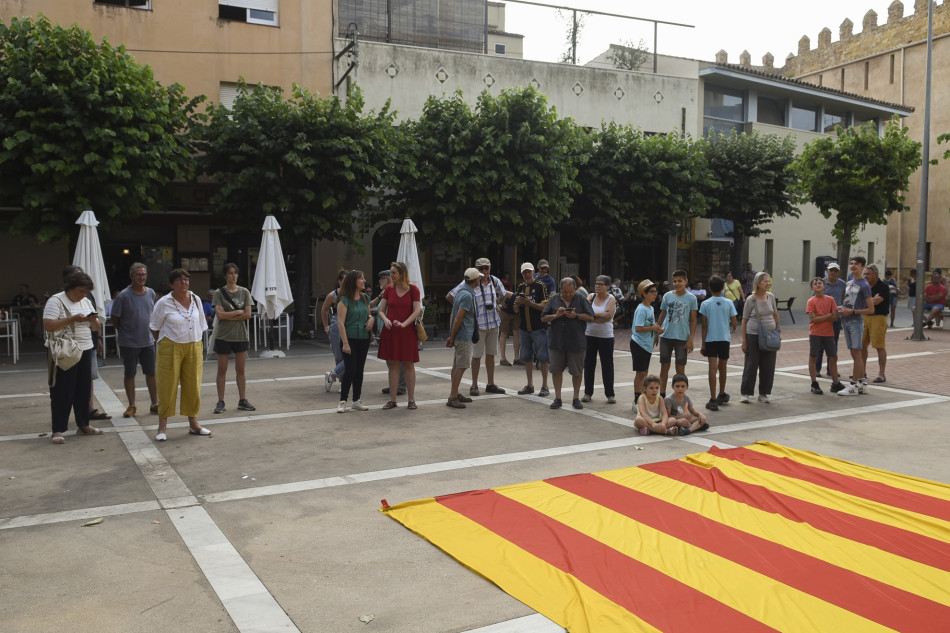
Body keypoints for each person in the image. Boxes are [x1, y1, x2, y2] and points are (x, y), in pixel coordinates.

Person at [42, 271, 104, 444]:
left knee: (83, 390)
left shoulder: (86, 301)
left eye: (86, 291)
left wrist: (93, 321)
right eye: (80, 290)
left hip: (85, 349)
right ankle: (58, 429)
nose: (83, 294)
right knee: (62, 391)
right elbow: (48, 325)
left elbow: (95, 326)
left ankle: (84, 424)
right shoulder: (56, 300)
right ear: (70, 288)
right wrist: (72, 319)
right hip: (64, 351)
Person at [149, 268, 210, 441]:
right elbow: (154, 328)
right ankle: (162, 427)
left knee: (193, 385)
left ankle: (194, 423)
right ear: (172, 284)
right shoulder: (164, 303)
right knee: (167, 385)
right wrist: (165, 342)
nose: (184, 282)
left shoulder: (196, 299)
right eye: (179, 280)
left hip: (194, 345)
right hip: (170, 346)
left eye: (186, 279)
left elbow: (202, 324)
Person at [445, 257, 510, 397]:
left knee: (491, 355)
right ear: (476, 270)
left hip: (493, 323)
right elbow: (450, 296)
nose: (484, 271)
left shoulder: (494, 280)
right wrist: (463, 309)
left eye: (487, 267)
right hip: (478, 326)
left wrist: (497, 304)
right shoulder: (469, 283)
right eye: (481, 268)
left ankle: (490, 384)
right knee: (476, 356)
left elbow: (503, 294)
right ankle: (474, 385)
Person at [110, 262, 158, 418]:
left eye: (144, 274)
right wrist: (126, 332)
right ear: (131, 276)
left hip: (148, 341)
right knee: (130, 373)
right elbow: (115, 319)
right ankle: (132, 405)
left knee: (151, 373)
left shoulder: (151, 293)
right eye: (138, 274)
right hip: (129, 342)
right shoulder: (124, 296)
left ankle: (155, 403)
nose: (142, 277)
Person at [63, 265, 110, 421]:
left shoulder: (88, 296)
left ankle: (87, 411)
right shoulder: (59, 299)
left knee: (88, 377)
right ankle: (66, 414)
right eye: (76, 276)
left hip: (88, 343)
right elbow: (50, 324)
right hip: (68, 346)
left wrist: (98, 337)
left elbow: (95, 319)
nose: (83, 292)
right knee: (68, 381)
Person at [541, 277, 594, 409]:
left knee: (577, 371)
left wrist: (576, 316)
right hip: (557, 341)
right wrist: (555, 316)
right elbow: (543, 317)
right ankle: (558, 398)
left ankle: (576, 398)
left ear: (575, 290)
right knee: (556, 370)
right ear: (560, 290)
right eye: (565, 292)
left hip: (576, 341)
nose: (568, 295)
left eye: (571, 292)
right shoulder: (553, 300)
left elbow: (591, 316)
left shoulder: (581, 299)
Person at [211, 263, 256, 414]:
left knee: (240, 370)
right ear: (225, 275)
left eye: (235, 273)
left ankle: (242, 399)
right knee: (222, 369)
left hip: (240, 335)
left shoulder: (244, 292)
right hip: (223, 335)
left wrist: (229, 315)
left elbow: (248, 314)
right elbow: (220, 315)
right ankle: (220, 401)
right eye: (230, 273)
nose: (233, 276)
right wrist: (238, 311)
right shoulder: (219, 293)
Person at [377, 261, 422, 410]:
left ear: (402, 274)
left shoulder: (413, 289)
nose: (391, 276)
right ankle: (393, 400)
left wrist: (404, 324)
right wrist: (385, 319)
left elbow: (417, 310)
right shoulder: (389, 290)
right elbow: (381, 310)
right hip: (391, 331)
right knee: (393, 364)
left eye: (393, 273)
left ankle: (411, 399)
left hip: (407, 332)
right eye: (390, 273)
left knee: (408, 364)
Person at [336, 270, 374, 413]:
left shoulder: (365, 298)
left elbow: (369, 314)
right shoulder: (344, 300)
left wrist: (371, 319)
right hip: (349, 339)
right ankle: (343, 400)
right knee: (350, 369)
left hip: (363, 339)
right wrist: (345, 343)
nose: (364, 281)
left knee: (359, 370)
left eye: (364, 278)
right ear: (354, 281)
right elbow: (340, 323)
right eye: (361, 279)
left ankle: (356, 400)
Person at [740, 271, 781, 403]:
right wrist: (744, 341)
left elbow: (775, 314)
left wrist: (778, 329)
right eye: (765, 281)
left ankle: (763, 393)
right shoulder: (750, 299)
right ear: (758, 283)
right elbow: (744, 320)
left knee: (768, 365)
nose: (768, 284)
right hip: (753, 335)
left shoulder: (771, 297)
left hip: (769, 335)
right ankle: (746, 392)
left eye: (769, 281)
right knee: (751, 364)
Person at [656, 269, 698, 398]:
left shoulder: (691, 298)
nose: (677, 283)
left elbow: (694, 320)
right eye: (674, 281)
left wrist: (691, 338)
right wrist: (656, 332)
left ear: (686, 281)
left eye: (680, 281)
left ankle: (680, 396)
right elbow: (662, 314)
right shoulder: (667, 296)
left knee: (680, 368)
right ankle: (662, 395)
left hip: (682, 338)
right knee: (664, 366)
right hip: (666, 336)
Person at [698, 275, 737, 411]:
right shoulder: (729, 303)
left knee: (712, 368)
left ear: (709, 288)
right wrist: (730, 325)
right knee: (723, 366)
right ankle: (722, 393)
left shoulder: (705, 304)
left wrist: (703, 344)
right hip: (724, 338)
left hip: (710, 339)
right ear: (723, 288)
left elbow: (704, 325)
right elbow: (734, 322)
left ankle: (713, 398)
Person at [837, 258, 873, 396]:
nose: (853, 266)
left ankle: (853, 384)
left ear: (862, 266)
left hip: (855, 322)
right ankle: (862, 383)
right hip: (846, 320)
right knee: (853, 352)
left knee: (856, 352)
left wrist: (852, 311)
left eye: (856, 264)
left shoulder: (864, 285)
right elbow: (848, 303)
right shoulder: (849, 282)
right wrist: (840, 308)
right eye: (851, 263)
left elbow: (870, 309)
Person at [514, 262, 550, 397]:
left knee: (543, 357)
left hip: (539, 327)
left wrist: (530, 304)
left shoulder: (540, 286)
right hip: (524, 328)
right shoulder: (520, 287)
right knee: (526, 357)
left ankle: (545, 386)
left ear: (533, 272)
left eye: (529, 272)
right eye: (524, 273)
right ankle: (529, 385)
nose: (527, 275)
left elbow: (545, 307)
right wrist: (517, 305)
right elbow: (516, 310)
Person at [445, 268, 479, 409]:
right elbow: (458, 318)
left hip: (460, 334)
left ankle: (455, 393)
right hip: (464, 335)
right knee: (461, 366)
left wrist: (452, 335)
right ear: (475, 280)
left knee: (456, 365)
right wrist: (452, 336)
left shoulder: (461, 292)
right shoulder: (467, 296)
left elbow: (454, 316)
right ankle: (453, 396)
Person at [582, 275, 617, 404]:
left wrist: (592, 315)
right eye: (596, 283)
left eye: (601, 284)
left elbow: (608, 317)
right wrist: (597, 315)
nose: (597, 286)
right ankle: (588, 393)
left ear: (607, 287)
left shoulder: (611, 299)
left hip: (606, 337)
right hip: (589, 335)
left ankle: (610, 394)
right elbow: (584, 314)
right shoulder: (590, 297)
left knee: (607, 365)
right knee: (589, 364)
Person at [806, 277, 843, 395]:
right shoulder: (811, 301)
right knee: (813, 356)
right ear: (812, 288)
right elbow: (814, 320)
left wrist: (820, 317)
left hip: (828, 333)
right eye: (815, 284)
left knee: (833, 357)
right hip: (815, 333)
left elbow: (836, 317)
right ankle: (814, 383)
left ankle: (835, 383)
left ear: (824, 286)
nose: (818, 285)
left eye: (820, 283)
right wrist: (828, 316)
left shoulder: (831, 300)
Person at [370, 270, 406, 394]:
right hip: (384, 330)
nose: (380, 281)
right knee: (389, 360)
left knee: (396, 360)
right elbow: (371, 306)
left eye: (383, 279)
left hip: (392, 330)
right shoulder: (385, 293)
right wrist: (380, 296)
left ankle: (400, 386)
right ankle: (394, 385)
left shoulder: (394, 292)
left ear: (389, 279)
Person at [632, 279, 663, 404]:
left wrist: (657, 331)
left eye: (656, 291)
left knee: (644, 372)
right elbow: (638, 328)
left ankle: (642, 397)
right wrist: (653, 328)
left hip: (646, 344)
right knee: (640, 373)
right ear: (644, 294)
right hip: (639, 344)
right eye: (652, 291)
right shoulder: (642, 309)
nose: (655, 294)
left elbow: (649, 324)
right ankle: (636, 400)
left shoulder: (650, 307)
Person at [815, 262, 846, 378]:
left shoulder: (842, 284)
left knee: (833, 344)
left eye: (835, 270)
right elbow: (815, 298)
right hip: (823, 319)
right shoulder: (820, 283)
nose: (833, 272)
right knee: (820, 344)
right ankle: (817, 369)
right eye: (831, 270)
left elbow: (846, 298)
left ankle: (831, 369)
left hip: (835, 319)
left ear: (838, 272)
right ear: (827, 271)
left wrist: (842, 308)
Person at [862, 265, 889, 384]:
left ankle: (881, 374)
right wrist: (870, 301)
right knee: (861, 346)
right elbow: (860, 303)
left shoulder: (883, 286)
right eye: (865, 274)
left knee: (879, 346)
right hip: (864, 317)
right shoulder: (864, 286)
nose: (866, 276)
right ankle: (862, 371)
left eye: (868, 274)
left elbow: (877, 302)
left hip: (879, 317)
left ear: (876, 274)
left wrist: (868, 302)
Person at [321, 271, 347, 393]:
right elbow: (324, 310)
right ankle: (343, 382)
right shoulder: (333, 295)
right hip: (336, 326)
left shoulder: (353, 293)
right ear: (339, 281)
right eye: (344, 280)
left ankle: (332, 374)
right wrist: (326, 326)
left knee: (350, 356)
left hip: (349, 326)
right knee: (339, 356)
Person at [497, 274, 522, 367]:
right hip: (505, 312)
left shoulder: (522, 302)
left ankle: (517, 358)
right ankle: (503, 358)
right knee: (504, 333)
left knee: (517, 333)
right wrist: (500, 302)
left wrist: (518, 312)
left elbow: (517, 310)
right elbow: (503, 293)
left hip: (516, 315)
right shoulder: (512, 295)